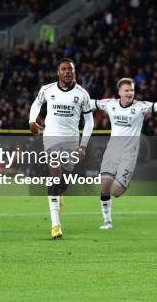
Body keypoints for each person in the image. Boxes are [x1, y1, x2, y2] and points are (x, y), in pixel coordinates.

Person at [92, 72, 157, 229]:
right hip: (111, 152)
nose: (130, 93)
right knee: (104, 186)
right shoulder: (110, 104)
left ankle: (123, 183)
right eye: (127, 90)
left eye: (132, 90)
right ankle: (107, 221)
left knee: (116, 192)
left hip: (128, 155)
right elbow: (90, 103)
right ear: (120, 92)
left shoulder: (140, 107)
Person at [29, 58, 94, 239]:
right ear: (58, 72)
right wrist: (31, 121)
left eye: (70, 69)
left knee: (64, 179)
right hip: (51, 137)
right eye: (64, 69)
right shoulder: (47, 90)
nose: (67, 72)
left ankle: (59, 194)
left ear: (74, 73)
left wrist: (83, 145)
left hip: (72, 140)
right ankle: (55, 225)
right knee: (54, 172)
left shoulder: (82, 94)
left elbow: (89, 121)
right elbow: (36, 104)